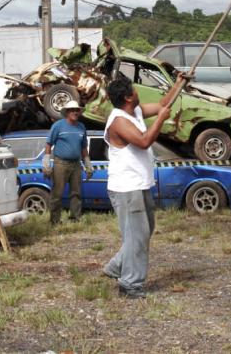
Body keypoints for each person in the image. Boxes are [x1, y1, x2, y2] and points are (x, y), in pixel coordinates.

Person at [102, 74, 183, 298]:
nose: (138, 93)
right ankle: (130, 285)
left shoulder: (134, 111)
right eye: (135, 90)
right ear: (128, 97)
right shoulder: (119, 121)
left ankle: (116, 266)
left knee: (143, 232)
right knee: (138, 235)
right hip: (126, 187)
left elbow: (163, 105)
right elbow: (144, 140)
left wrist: (179, 83)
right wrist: (160, 120)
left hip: (140, 184)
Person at [43, 100, 92, 225]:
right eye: (72, 110)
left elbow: (84, 148)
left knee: (76, 193)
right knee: (57, 193)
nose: (75, 112)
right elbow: (48, 144)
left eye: (77, 110)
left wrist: (88, 165)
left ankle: (75, 218)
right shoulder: (58, 126)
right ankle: (54, 220)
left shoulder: (81, 127)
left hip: (76, 164)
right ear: (67, 112)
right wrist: (47, 163)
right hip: (60, 163)